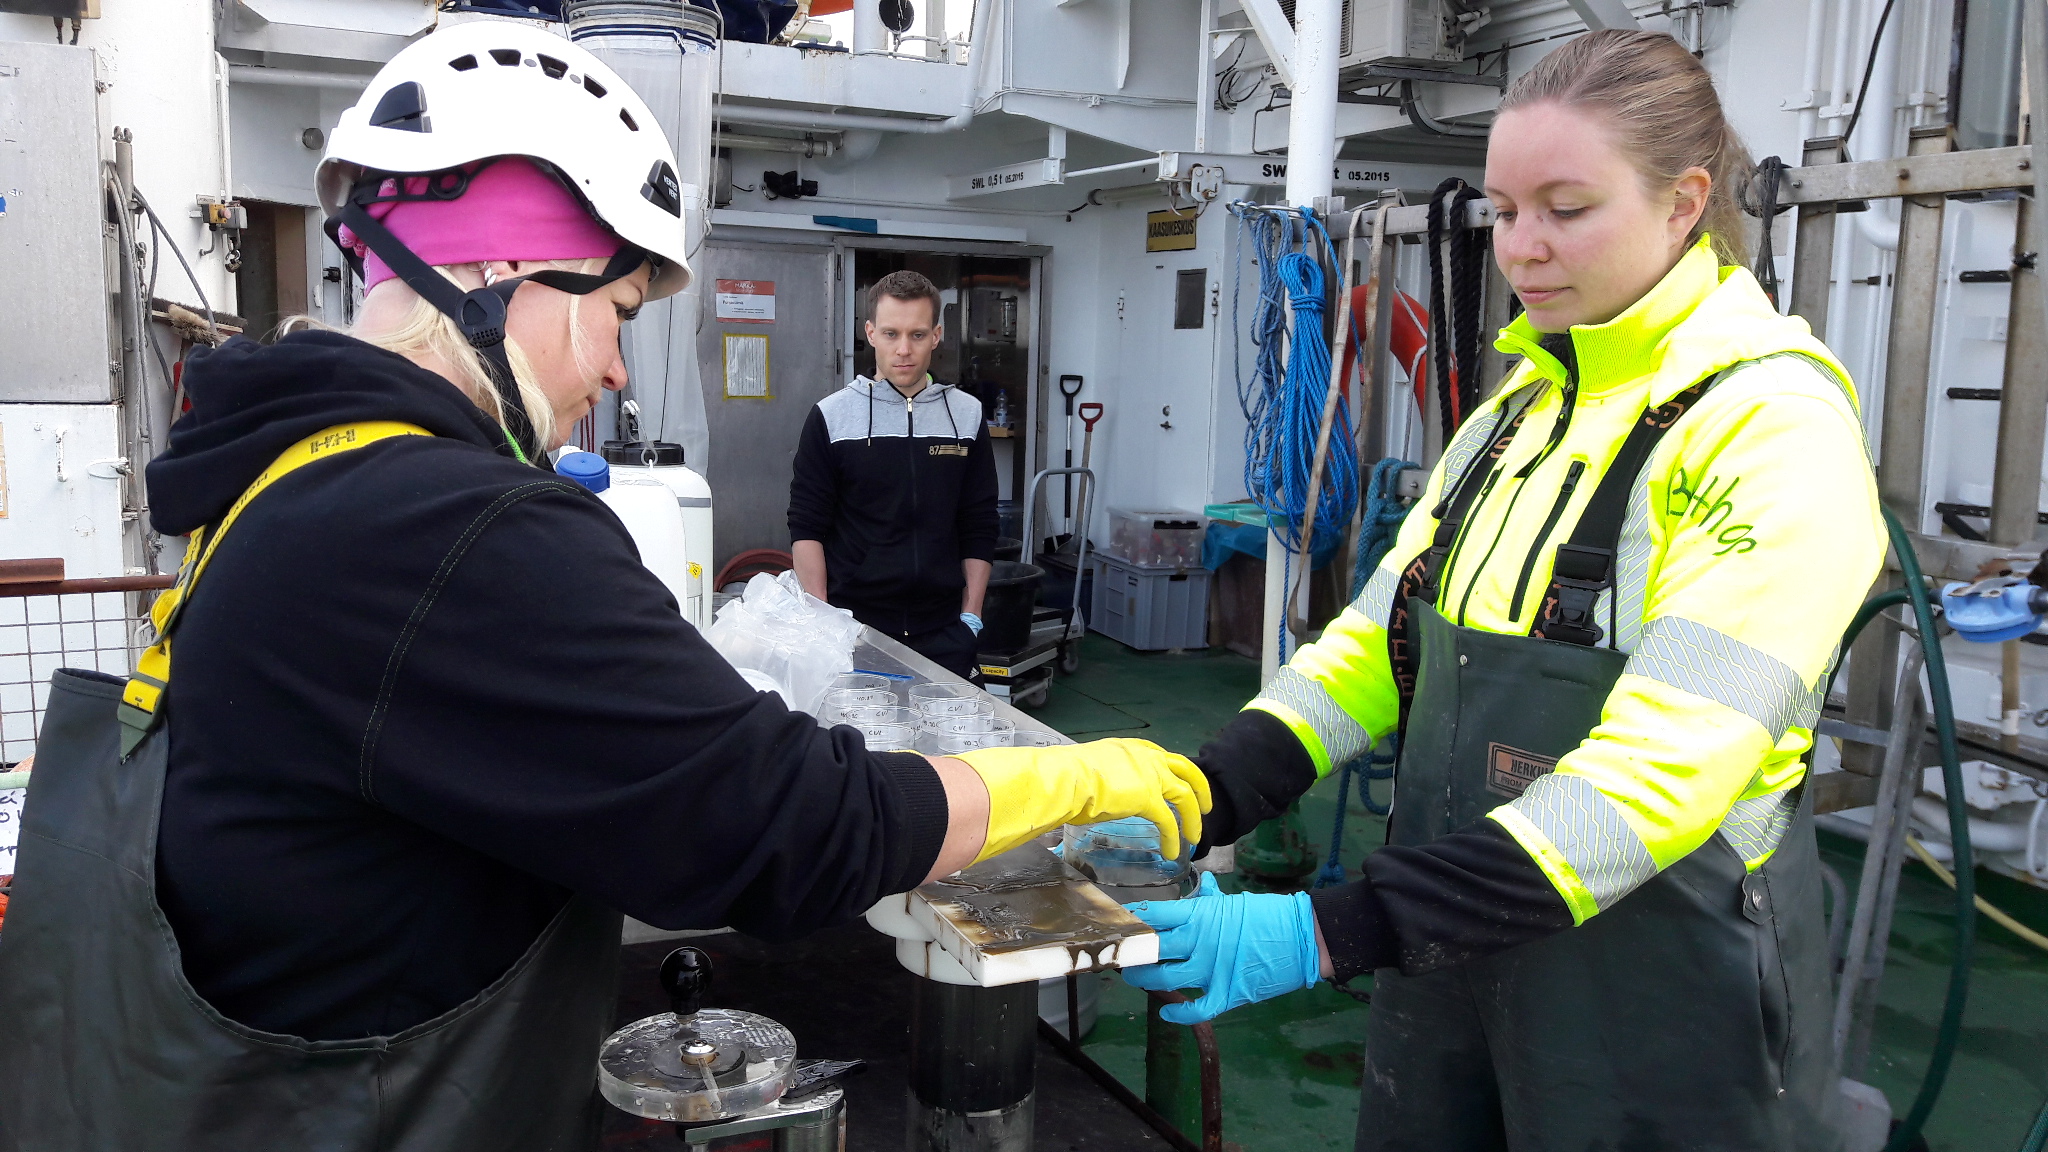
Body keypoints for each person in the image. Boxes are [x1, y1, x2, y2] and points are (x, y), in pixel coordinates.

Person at [0, 22, 1206, 1152]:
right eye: (617, 311)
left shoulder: (284, 478)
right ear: (506, 273)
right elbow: (783, 831)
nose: (620, 366)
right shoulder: (450, 529)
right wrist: (1067, 773)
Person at [1123, 29, 1882, 1151]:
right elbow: (1377, 646)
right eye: (1504, 210)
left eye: (1564, 209)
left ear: (1683, 202)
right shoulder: (1515, 414)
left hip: (1653, 999)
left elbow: (1649, 784)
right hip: (1451, 955)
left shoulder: (1768, 432)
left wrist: (1326, 933)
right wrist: (1202, 790)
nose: (1521, 249)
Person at [788, 271, 998, 679]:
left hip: (944, 632)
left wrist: (970, 616)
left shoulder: (967, 415)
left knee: (946, 744)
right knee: (859, 744)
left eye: (917, 335)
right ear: (870, 333)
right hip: (855, 629)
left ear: (937, 335)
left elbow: (979, 521)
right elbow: (806, 526)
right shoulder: (831, 416)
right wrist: (825, 622)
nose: (904, 350)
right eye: (890, 334)